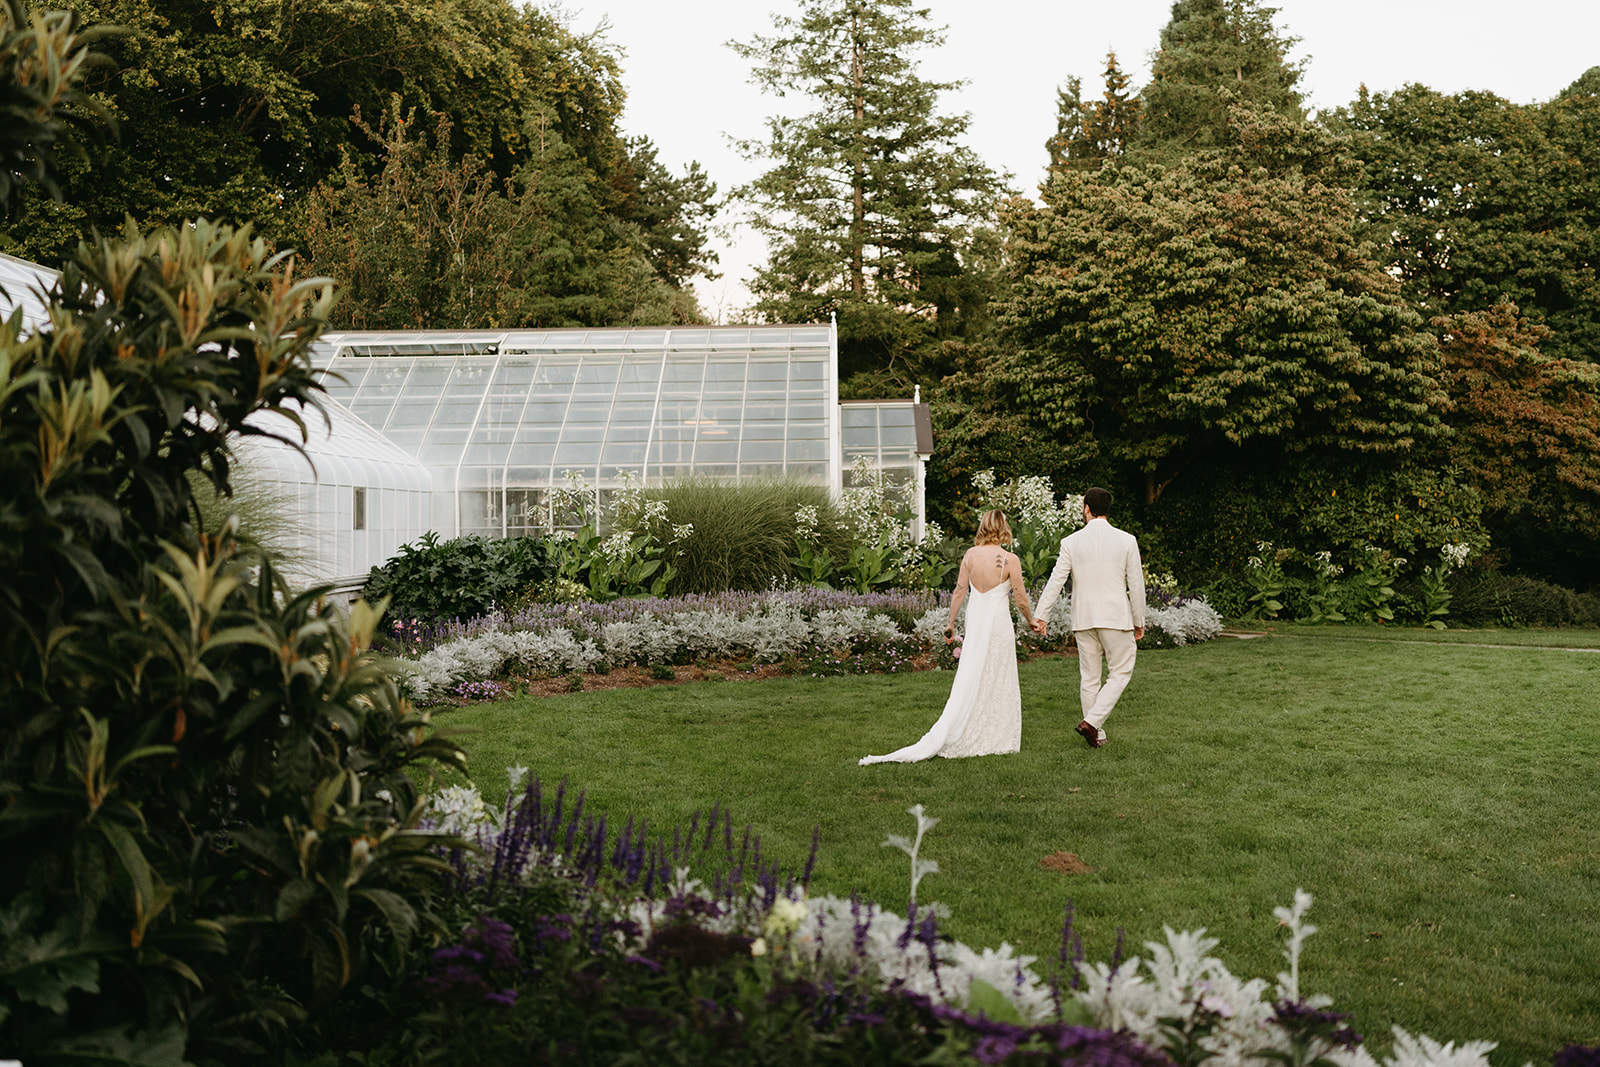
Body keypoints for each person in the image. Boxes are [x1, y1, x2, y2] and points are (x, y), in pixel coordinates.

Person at [859, 510, 1035, 765]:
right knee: (997, 673)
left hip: (975, 621)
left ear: (984, 527)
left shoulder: (970, 556)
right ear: (1004, 527)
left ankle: (975, 724)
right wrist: (1031, 621)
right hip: (997, 624)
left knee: (973, 671)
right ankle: (995, 732)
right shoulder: (1010, 559)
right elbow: (1019, 596)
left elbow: (959, 591)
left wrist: (950, 623)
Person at [1031, 487, 1145, 748]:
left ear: (1086, 508)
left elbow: (1056, 581)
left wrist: (1042, 615)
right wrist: (1139, 620)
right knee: (1120, 672)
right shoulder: (1127, 540)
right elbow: (1135, 585)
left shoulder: (1071, 542)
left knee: (1090, 678)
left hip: (1083, 618)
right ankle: (1092, 724)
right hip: (1115, 617)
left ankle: (1096, 732)